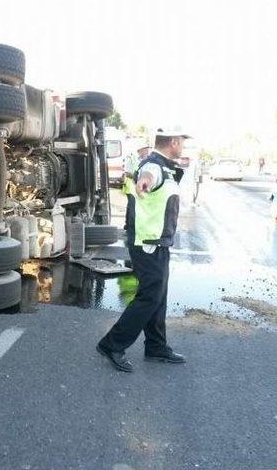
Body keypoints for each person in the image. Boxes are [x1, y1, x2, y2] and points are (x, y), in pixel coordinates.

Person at [97, 126, 190, 372]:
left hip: (158, 242)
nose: (183, 145)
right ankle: (112, 344)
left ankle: (156, 346)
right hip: (147, 243)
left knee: (158, 297)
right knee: (149, 297)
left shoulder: (166, 166)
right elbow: (147, 176)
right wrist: (144, 182)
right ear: (172, 141)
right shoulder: (154, 166)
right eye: (182, 140)